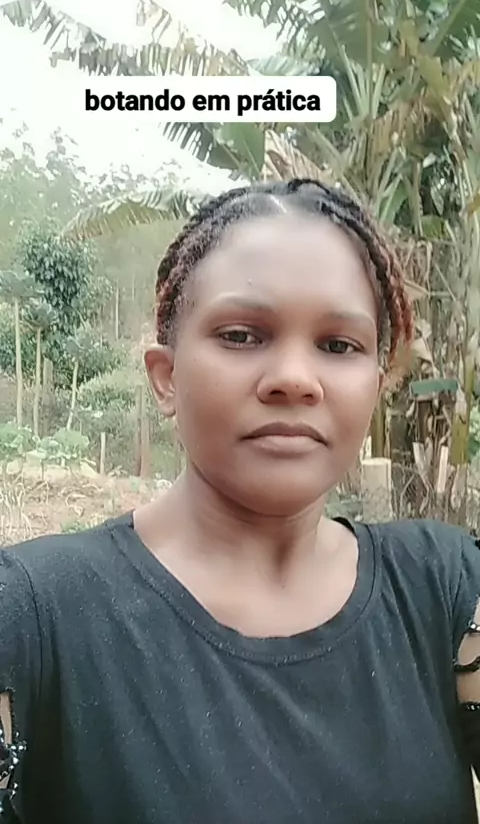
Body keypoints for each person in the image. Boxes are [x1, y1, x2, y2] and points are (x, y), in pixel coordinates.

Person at [1, 178, 480, 824]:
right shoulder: (34, 617)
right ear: (166, 377)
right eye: (242, 335)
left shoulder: (447, 591)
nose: (293, 379)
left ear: (375, 381)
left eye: (339, 346)